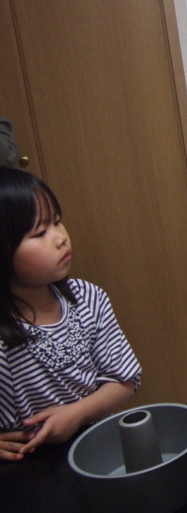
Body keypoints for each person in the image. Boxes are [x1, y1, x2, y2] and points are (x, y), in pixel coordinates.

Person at [0, 166, 141, 461]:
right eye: (40, 232)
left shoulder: (88, 297)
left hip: (99, 447)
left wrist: (76, 415)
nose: (61, 237)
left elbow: (124, 380)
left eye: (57, 222)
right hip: (26, 466)